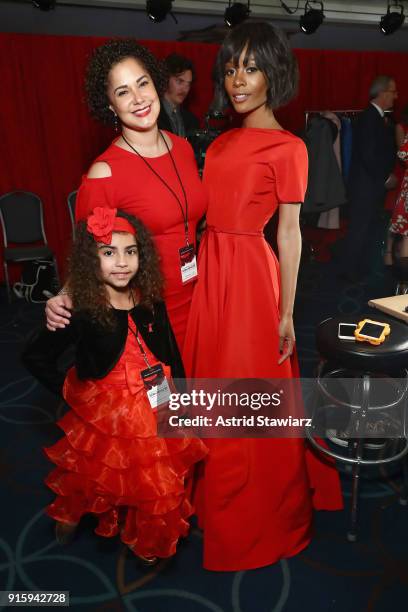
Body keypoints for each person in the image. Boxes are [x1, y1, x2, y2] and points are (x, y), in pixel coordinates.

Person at [182, 22, 343, 572]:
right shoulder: (221, 140)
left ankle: (257, 514)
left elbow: (290, 233)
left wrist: (286, 311)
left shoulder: (289, 146)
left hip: (251, 275)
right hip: (212, 270)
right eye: (230, 68)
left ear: (274, 74)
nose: (237, 80)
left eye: (250, 68)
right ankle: (210, 499)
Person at [22, 208, 207, 564]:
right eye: (109, 253)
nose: (122, 263)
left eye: (131, 251)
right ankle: (70, 514)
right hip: (105, 412)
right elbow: (35, 356)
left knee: (154, 473)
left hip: (156, 401)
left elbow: (169, 348)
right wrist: (70, 389)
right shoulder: (82, 308)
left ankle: (151, 534)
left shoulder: (150, 297)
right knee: (91, 470)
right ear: (91, 260)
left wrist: (183, 397)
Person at [45, 39, 206, 349]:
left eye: (142, 83)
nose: (137, 98)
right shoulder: (105, 172)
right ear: (110, 105)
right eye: (122, 92)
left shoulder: (183, 148)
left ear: (156, 84)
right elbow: (87, 253)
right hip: (151, 311)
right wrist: (65, 295)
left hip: (199, 297)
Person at [335, 75, 397, 282]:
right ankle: (349, 273)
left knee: (363, 229)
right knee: (359, 230)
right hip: (366, 186)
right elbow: (369, 155)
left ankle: (354, 270)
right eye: (393, 91)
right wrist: (385, 177)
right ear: (382, 92)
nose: (395, 96)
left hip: (368, 185)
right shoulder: (370, 118)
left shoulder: (375, 117)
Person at [384, 104, 408, 264]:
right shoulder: (401, 126)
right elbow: (402, 153)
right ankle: (389, 253)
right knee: (397, 218)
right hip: (401, 172)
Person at [158, 53, 199, 140]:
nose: (185, 89)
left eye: (188, 84)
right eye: (180, 81)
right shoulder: (153, 117)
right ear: (166, 78)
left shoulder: (192, 120)